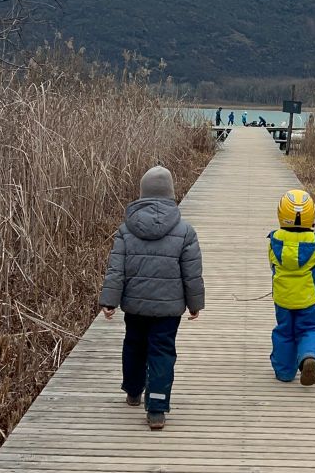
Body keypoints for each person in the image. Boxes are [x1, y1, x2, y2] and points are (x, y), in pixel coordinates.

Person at [99, 165, 205, 430]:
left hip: (135, 306)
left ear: (142, 194)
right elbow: (191, 274)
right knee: (162, 353)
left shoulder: (126, 229)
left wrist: (109, 300)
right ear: (171, 194)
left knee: (134, 345)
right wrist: (195, 304)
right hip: (169, 310)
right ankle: (156, 409)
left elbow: (116, 269)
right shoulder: (185, 231)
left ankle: (134, 391)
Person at [267, 189, 315, 386]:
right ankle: (309, 356)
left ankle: (284, 372)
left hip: (282, 298)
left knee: (284, 332)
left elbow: (272, 263)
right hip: (307, 299)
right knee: (310, 329)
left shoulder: (274, 241)